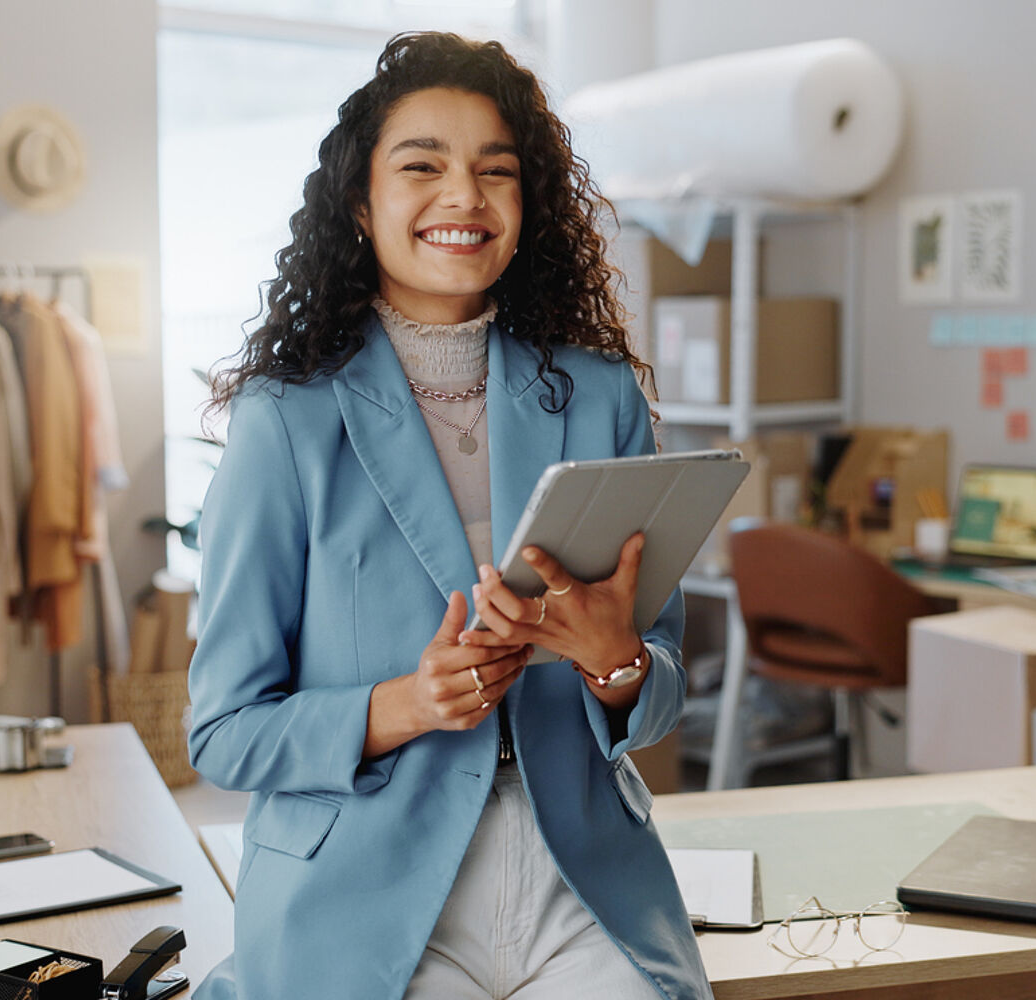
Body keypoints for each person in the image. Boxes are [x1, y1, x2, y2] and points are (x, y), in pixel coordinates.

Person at [188, 31, 712, 1000]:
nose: (464, 196)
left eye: (496, 172)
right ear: (361, 201)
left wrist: (615, 660)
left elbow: (662, 689)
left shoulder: (599, 396)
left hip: (579, 879)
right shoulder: (285, 419)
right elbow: (221, 731)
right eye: (422, 165)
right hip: (364, 888)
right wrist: (402, 705)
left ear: (528, 206)